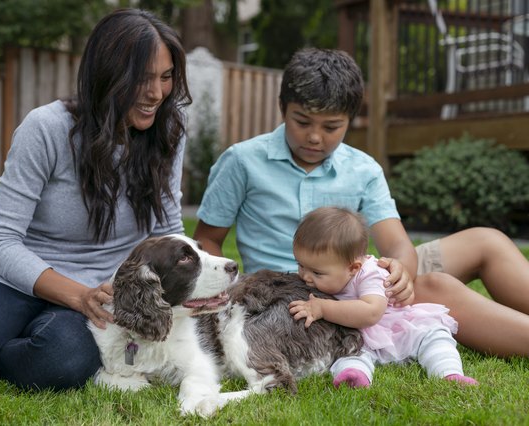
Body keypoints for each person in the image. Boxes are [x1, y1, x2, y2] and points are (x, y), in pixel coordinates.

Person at [0, 8, 191, 406]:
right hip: (12, 281)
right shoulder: (47, 128)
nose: (157, 93)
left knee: (64, 360)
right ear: (108, 74)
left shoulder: (168, 130)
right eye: (143, 78)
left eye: (166, 77)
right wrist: (77, 295)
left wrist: (193, 285)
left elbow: (167, 229)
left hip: (98, 292)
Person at [193, 47, 529, 357]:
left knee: (487, 241)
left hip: (360, 273)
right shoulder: (242, 161)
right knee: (437, 287)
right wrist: (229, 296)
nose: (314, 136)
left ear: (350, 120)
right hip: (301, 291)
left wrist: (401, 271)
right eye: (302, 121)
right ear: (283, 108)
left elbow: (398, 244)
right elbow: (208, 239)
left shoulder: (363, 168)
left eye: (331, 127)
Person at [288, 207, 478, 388]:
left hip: (395, 327)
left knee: (434, 336)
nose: (305, 276)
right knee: (347, 352)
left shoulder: (371, 273)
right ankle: (354, 376)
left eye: (316, 272)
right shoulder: (325, 273)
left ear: (352, 268)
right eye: (301, 265)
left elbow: (371, 313)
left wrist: (323, 308)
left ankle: (448, 372)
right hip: (358, 337)